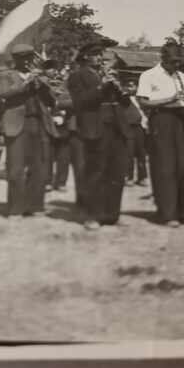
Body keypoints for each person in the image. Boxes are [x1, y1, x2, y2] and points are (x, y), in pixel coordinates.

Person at [136, 43, 184, 227]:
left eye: (178, 62)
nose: (176, 66)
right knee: (165, 168)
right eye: (173, 62)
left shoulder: (183, 77)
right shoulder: (148, 75)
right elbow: (143, 102)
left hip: (181, 122)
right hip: (161, 121)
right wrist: (169, 100)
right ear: (163, 58)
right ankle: (168, 214)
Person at [67, 40, 129, 230]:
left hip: (116, 127)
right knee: (96, 172)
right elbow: (80, 102)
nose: (100, 58)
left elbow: (125, 104)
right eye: (96, 54)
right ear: (85, 56)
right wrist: (102, 87)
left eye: (101, 54)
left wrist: (120, 90)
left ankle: (111, 215)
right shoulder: (77, 76)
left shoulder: (106, 75)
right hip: (95, 128)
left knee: (116, 172)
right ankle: (93, 215)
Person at [0, 44, 56, 218]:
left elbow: (51, 101)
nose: (29, 62)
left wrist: (43, 84)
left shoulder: (39, 77)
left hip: (38, 123)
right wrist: (27, 82)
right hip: (16, 125)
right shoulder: (5, 75)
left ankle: (35, 206)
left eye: (30, 58)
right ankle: (16, 208)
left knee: (39, 168)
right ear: (16, 60)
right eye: (24, 58)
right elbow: (4, 93)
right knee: (15, 169)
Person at [45, 59, 73, 192]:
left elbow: (73, 104)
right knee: (48, 156)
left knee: (64, 157)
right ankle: (48, 181)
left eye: (59, 83)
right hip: (48, 127)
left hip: (64, 128)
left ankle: (61, 182)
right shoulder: (46, 93)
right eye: (53, 84)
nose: (56, 87)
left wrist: (61, 108)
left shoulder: (68, 94)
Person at [121, 80, 148, 186]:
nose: (130, 88)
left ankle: (143, 177)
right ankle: (129, 177)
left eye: (132, 86)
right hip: (128, 127)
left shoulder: (140, 98)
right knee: (129, 153)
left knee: (141, 153)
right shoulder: (124, 98)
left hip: (140, 127)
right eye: (128, 86)